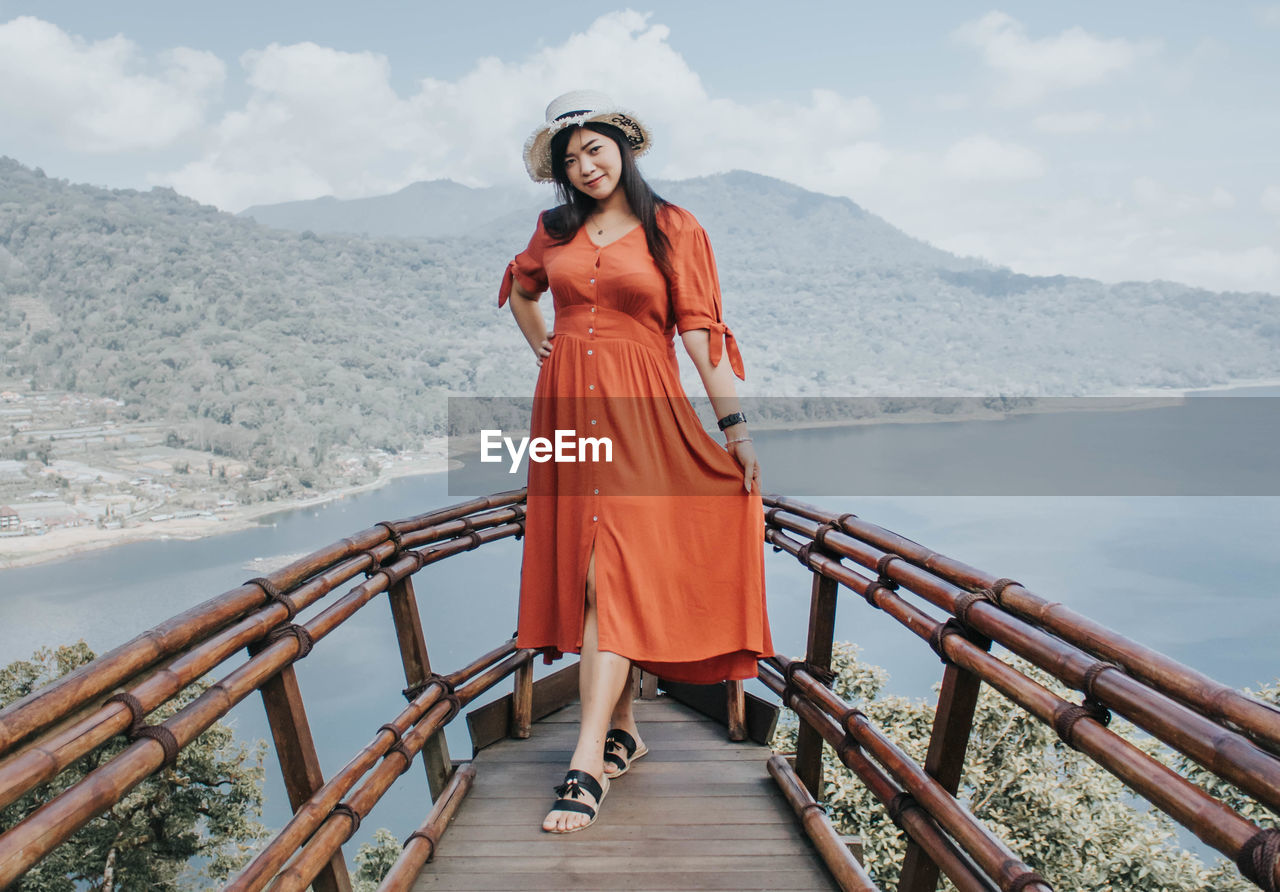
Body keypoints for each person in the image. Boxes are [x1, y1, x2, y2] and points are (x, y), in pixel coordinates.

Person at [498, 90, 775, 834]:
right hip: (564, 413)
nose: (584, 166)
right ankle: (621, 731)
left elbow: (702, 334)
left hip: (641, 415)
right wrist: (539, 344)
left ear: (623, 146)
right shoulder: (553, 228)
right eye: (570, 158)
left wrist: (735, 429)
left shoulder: (672, 228)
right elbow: (521, 288)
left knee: (609, 571)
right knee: (591, 568)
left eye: (595, 149)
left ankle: (586, 762)